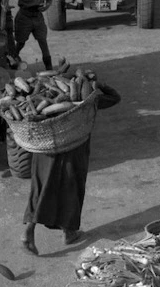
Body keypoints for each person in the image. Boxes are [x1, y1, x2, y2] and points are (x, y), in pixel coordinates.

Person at [21, 82, 121, 256]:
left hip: (44, 149)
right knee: (71, 189)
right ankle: (69, 232)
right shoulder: (87, 102)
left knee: (41, 188)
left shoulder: (40, 108)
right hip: (73, 148)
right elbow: (114, 98)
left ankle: (29, 230)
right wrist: (99, 85)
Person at [14, 0, 54, 70]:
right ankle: (13, 60)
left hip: (37, 17)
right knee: (20, 42)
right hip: (24, 17)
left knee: (43, 42)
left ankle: (49, 68)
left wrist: (47, 6)